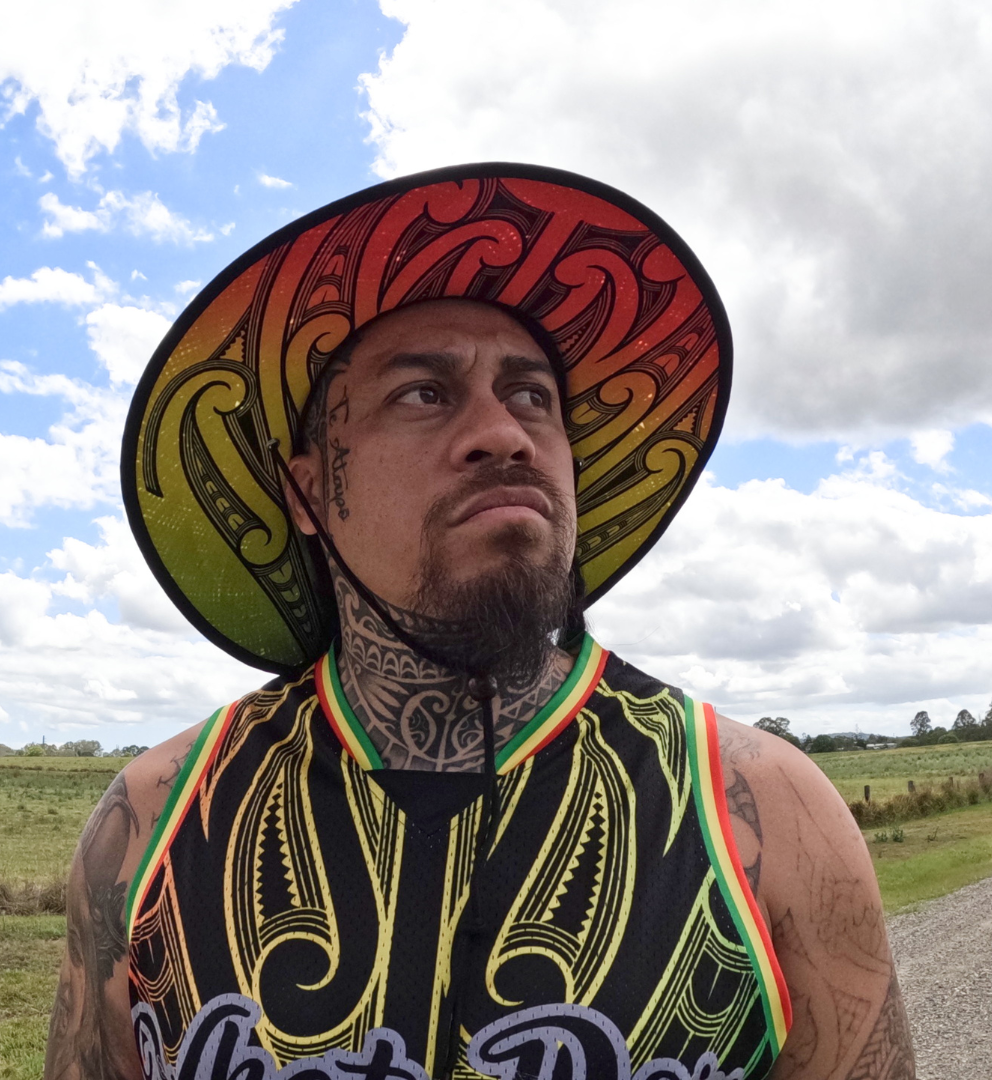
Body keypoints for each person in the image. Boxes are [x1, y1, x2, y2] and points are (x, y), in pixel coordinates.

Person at [45, 165, 915, 1080]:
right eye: (423, 393)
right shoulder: (154, 823)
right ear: (308, 492)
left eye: (532, 396)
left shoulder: (763, 813)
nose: (503, 433)